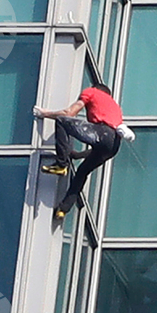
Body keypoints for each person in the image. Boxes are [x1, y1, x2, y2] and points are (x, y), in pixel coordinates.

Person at [33, 84, 134, 220]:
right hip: (113, 145)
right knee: (82, 172)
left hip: (102, 133)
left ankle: (61, 164)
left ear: (95, 88)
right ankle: (63, 209)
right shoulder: (115, 106)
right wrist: (75, 155)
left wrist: (44, 113)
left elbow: (69, 113)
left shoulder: (92, 92)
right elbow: (103, 146)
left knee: (62, 121)